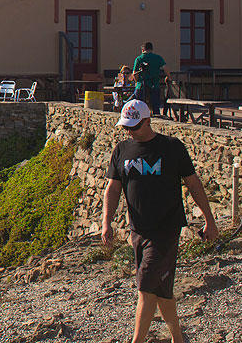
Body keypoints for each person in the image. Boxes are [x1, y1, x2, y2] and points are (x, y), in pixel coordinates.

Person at [102, 99, 217, 343]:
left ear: (148, 121)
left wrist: (209, 219)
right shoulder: (121, 150)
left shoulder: (172, 147)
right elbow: (112, 188)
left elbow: (193, 183)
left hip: (166, 230)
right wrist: (106, 223)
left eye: (134, 126)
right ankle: (178, 338)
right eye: (127, 127)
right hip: (138, 230)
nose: (130, 131)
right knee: (162, 291)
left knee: (145, 286)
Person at [132, 42, 171, 116]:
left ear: (143, 49)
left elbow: (135, 73)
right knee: (155, 105)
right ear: (152, 49)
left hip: (141, 86)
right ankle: (156, 115)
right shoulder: (158, 58)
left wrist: (137, 82)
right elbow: (165, 68)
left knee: (138, 104)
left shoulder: (139, 58)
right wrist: (169, 77)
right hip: (154, 84)